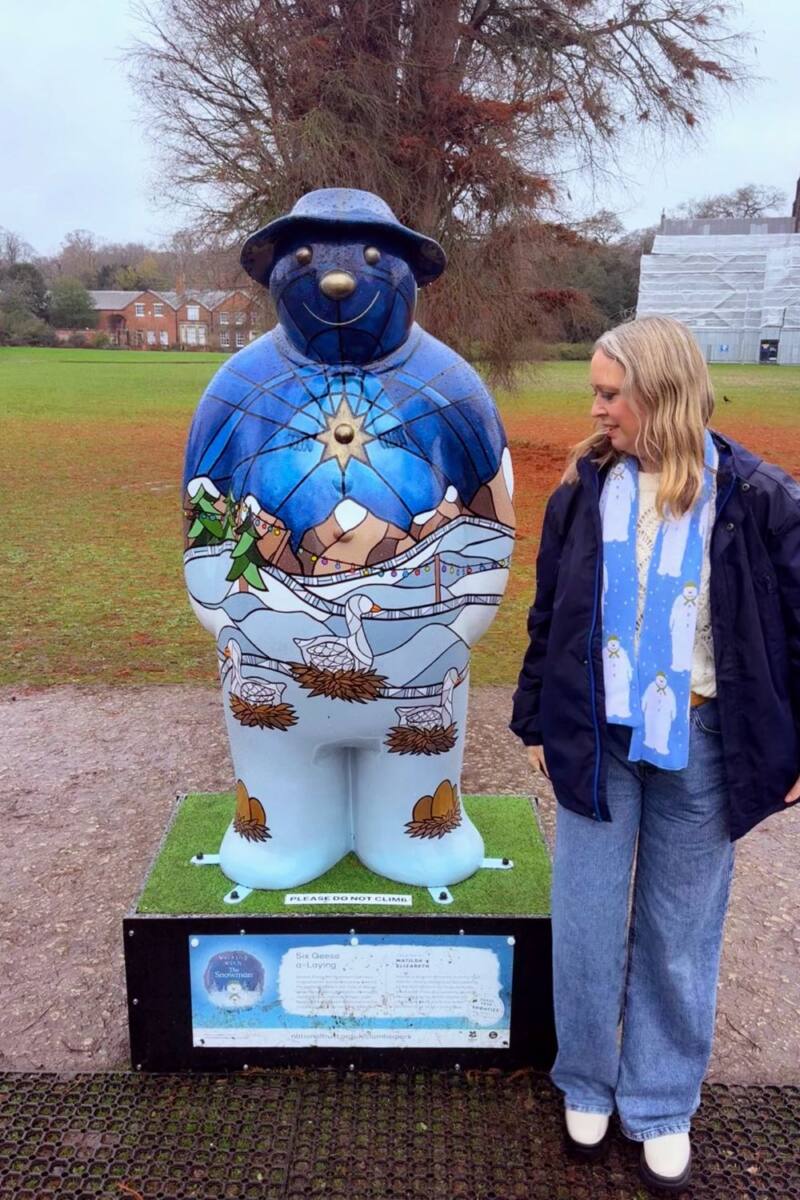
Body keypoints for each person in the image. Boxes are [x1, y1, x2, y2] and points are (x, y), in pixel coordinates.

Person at [510, 316, 800, 1195]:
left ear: (662, 394)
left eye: (610, 394)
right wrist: (537, 722)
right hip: (598, 738)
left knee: (680, 931)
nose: (596, 409)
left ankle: (662, 1102)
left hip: (705, 743)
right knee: (588, 921)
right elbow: (550, 616)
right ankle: (586, 1083)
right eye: (595, 393)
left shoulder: (757, 496)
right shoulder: (582, 491)